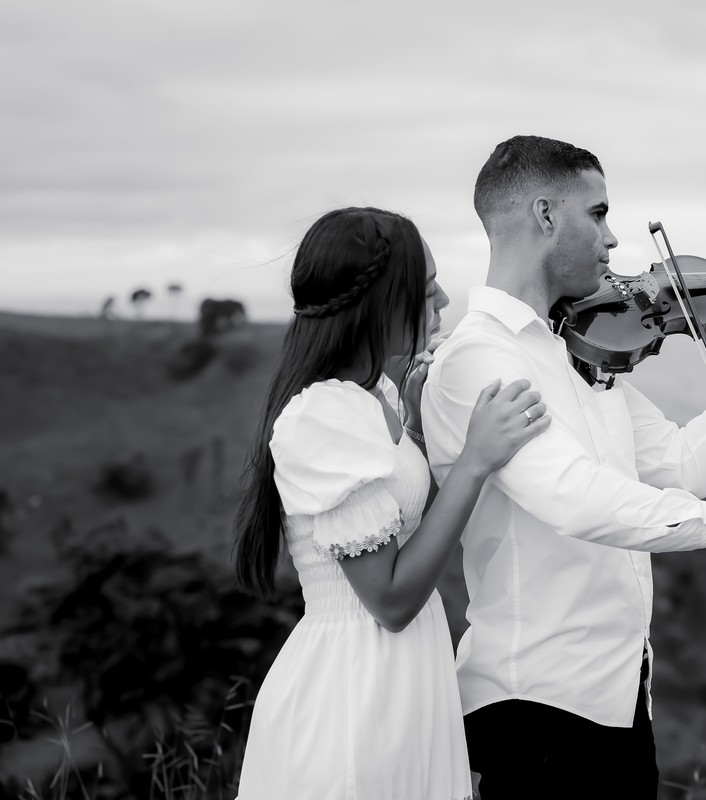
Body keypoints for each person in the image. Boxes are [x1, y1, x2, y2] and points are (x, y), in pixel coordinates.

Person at [421, 136, 706, 799]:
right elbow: (577, 500)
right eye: (599, 213)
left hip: (618, 698)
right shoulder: (477, 360)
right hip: (538, 711)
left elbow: (684, 467)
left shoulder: (581, 360)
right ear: (546, 216)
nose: (613, 242)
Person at [232, 206, 550, 800]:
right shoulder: (322, 417)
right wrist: (475, 461)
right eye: (426, 291)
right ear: (379, 303)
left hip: (406, 676)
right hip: (357, 690)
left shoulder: (375, 394)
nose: (444, 301)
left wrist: (420, 431)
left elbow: (401, 522)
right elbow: (391, 600)